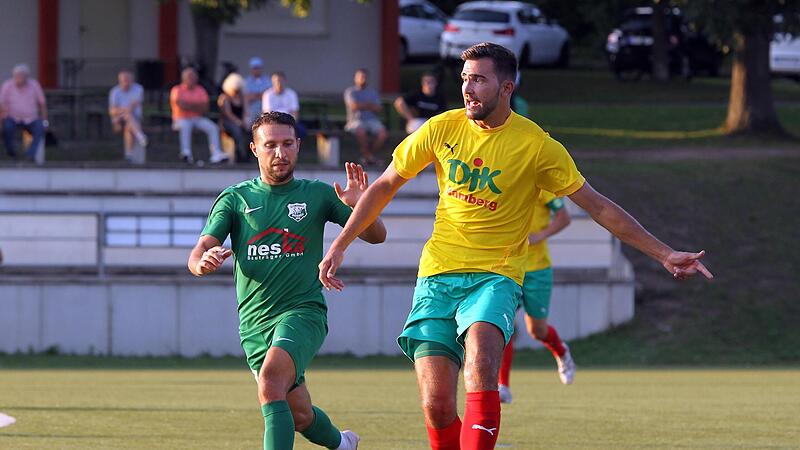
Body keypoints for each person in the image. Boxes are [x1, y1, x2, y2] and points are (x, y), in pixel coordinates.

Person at [318, 42, 712, 450]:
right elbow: (384, 185)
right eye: (465, 79)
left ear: (507, 88)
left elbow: (598, 207)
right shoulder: (439, 128)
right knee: (436, 405)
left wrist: (664, 253)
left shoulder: (538, 146)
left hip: (497, 276)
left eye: (479, 80)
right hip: (437, 275)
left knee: (482, 365)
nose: (468, 88)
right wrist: (340, 245)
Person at [188, 111, 385, 449]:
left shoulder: (318, 195)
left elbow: (377, 236)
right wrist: (201, 263)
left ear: (298, 146)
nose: (280, 153)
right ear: (253, 149)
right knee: (300, 417)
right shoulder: (235, 199)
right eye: (271, 145)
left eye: (287, 144)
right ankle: (343, 444)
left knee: (270, 381)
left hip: (303, 313)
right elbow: (200, 251)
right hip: (254, 325)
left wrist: (361, 208)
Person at [498, 190, 574, 405]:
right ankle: (503, 386)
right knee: (503, 324)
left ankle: (561, 351)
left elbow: (564, 217)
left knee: (537, 330)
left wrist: (539, 236)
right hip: (508, 267)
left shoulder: (543, 187)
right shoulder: (506, 178)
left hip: (537, 269)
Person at [170, 67, 228, 164]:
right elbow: (181, 105)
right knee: (185, 126)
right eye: (189, 77)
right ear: (184, 78)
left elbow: (205, 108)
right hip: (180, 119)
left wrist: (189, 105)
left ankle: (216, 153)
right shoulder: (177, 90)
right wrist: (196, 106)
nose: (192, 79)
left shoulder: (200, 90)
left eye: (193, 76)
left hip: (197, 118)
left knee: (212, 127)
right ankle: (186, 153)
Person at [0, 64, 48, 160]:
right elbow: (1, 104)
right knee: (7, 127)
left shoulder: (34, 85)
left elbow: (42, 104)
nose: (19, 78)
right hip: (12, 117)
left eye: (21, 76)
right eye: (17, 76)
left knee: (40, 127)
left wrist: (45, 122)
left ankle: (30, 155)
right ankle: (11, 152)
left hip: (31, 119)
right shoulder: (7, 85)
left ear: (26, 77)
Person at [343, 68, 387, 166]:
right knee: (361, 131)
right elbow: (354, 106)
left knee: (382, 134)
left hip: (372, 120)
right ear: (355, 78)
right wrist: (370, 105)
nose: (363, 79)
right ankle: (369, 158)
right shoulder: (350, 92)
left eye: (364, 77)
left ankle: (368, 157)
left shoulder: (373, 92)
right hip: (355, 121)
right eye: (360, 77)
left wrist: (362, 105)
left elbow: (379, 108)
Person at [108, 69, 148, 162]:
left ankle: (129, 155)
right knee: (127, 115)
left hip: (134, 118)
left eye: (127, 80)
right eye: (123, 80)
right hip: (118, 119)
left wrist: (124, 110)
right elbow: (112, 111)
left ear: (132, 80)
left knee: (128, 127)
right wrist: (123, 110)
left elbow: (134, 105)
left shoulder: (138, 89)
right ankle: (141, 136)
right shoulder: (115, 91)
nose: (125, 83)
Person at [218, 72, 250, 163]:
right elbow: (228, 114)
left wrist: (244, 121)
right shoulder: (224, 98)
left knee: (250, 130)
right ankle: (240, 154)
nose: (236, 92)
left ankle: (248, 154)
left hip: (240, 121)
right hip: (228, 122)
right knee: (237, 131)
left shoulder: (243, 97)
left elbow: (245, 111)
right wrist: (239, 122)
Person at [263, 71, 305, 139]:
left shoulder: (291, 94)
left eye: (280, 80)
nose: (278, 83)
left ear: (284, 81)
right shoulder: (267, 94)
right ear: (272, 82)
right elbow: (267, 114)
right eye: (276, 81)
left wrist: (290, 124)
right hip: (273, 123)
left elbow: (295, 113)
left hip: (289, 121)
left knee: (300, 130)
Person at [245, 57, 271, 126]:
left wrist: (255, 95)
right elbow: (247, 97)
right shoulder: (247, 81)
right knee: (247, 123)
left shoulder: (268, 80)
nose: (256, 70)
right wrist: (260, 95)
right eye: (254, 68)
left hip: (264, 108)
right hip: (251, 109)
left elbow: (267, 95)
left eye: (258, 68)